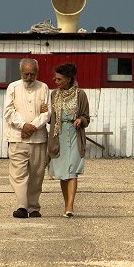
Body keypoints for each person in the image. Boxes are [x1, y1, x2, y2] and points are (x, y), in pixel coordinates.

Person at [3, 58, 51, 218]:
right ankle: (22, 206)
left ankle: (33, 207)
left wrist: (32, 127)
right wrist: (23, 125)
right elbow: (8, 111)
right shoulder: (13, 87)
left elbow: (47, 112)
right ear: (20, 72)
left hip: (38, 139)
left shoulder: (43, 87)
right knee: (18, 174)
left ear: (37, 72)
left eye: (32, 74)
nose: (29, 77)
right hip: (17, 137)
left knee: (37, 174)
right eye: (26, 74)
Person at [47, 63, 90, 218]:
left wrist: (80, 120)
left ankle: (70, 207)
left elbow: (86, 117)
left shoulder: (81, 95)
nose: (55, 81)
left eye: (59, 79)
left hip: (74, 135)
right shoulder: (53, 95)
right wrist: (44, 112)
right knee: (62, 173)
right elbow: (51, 119)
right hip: (58, 136)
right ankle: (66, 203)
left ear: (68, 79)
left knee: (72, 172)